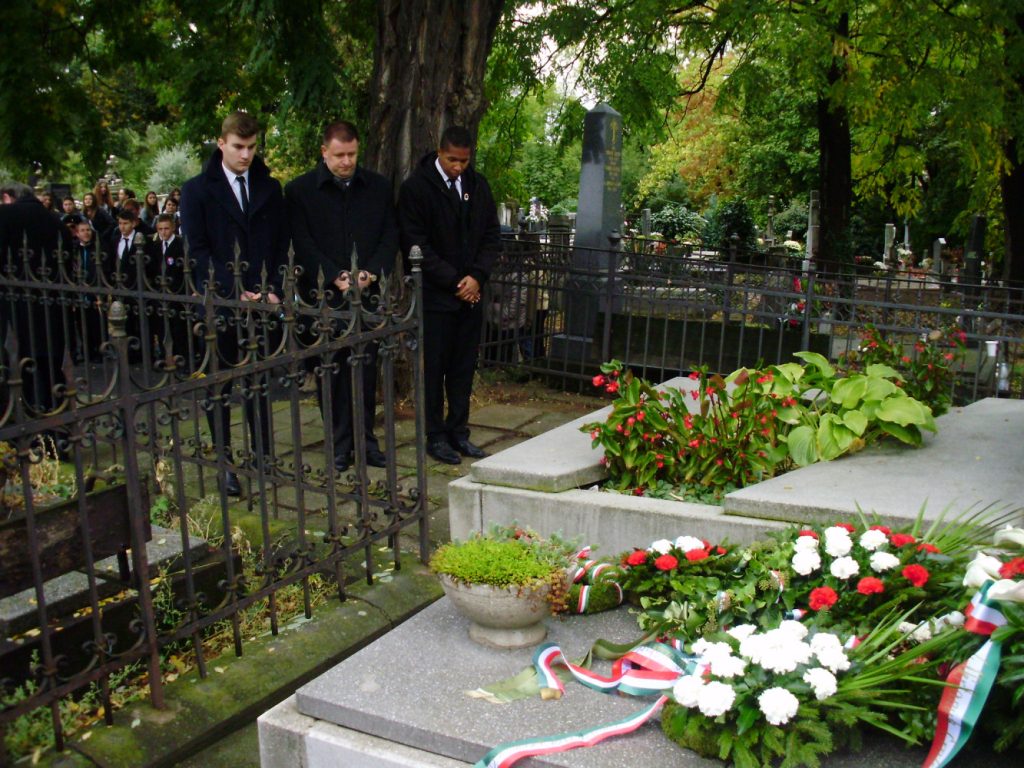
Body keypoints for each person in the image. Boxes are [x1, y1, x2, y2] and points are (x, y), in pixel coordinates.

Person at [181, 110, 288, 496]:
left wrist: (273, 289)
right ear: (221, 143)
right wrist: (233, 290)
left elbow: (281, 245)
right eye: (238, 147)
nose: (245, 155)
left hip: (261, 302)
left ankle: (262, 455)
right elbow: (197, 251)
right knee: (219, 386)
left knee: (259, 382)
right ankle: (225, 463)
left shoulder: (269, 188)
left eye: (252, 147)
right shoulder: (197, 191)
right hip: (220, 304)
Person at [285, 120, 397, 472]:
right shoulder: (300, 191)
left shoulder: (378, 187)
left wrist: (370, 273)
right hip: (324, 297)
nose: (347, 161)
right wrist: (336, 275)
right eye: (339, 155)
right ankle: (339, 443)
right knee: (331, 372)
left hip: (367, 294)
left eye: (352, 154)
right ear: (324, 152)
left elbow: (390, 234)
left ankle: (366, 441)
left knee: (366, 371)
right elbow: (301, 240)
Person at [398, 125, 501, 465]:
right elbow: (416, 245)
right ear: (440, 152)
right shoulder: (416, 188)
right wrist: (456, 282)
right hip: (437, 296)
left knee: (462, 369)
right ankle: (436, 435)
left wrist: (477, 278)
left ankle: (459, 431)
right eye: (452, 160)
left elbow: (491, 236)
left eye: (464, 161)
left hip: (471, 296)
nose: (458, 167)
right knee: (434, 369)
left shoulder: (477, 185)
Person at [0, 182, 68, 415]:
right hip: (52, 301)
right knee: (50, 361)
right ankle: (54, 412)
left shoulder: (6, 214)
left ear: (7, 197)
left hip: (17, 300)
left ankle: (30, 410)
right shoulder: (55, 221)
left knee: (24, 359)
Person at [145, 212, 191, 367]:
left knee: (179, 329)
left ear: (173, 228)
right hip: (160, 293)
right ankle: (167, 357)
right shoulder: (154, 246)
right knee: (162, 328)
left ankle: (182, 359)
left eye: (166, 229)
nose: (163, 232)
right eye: (160, 229)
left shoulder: (181, 245)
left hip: (177, 293)